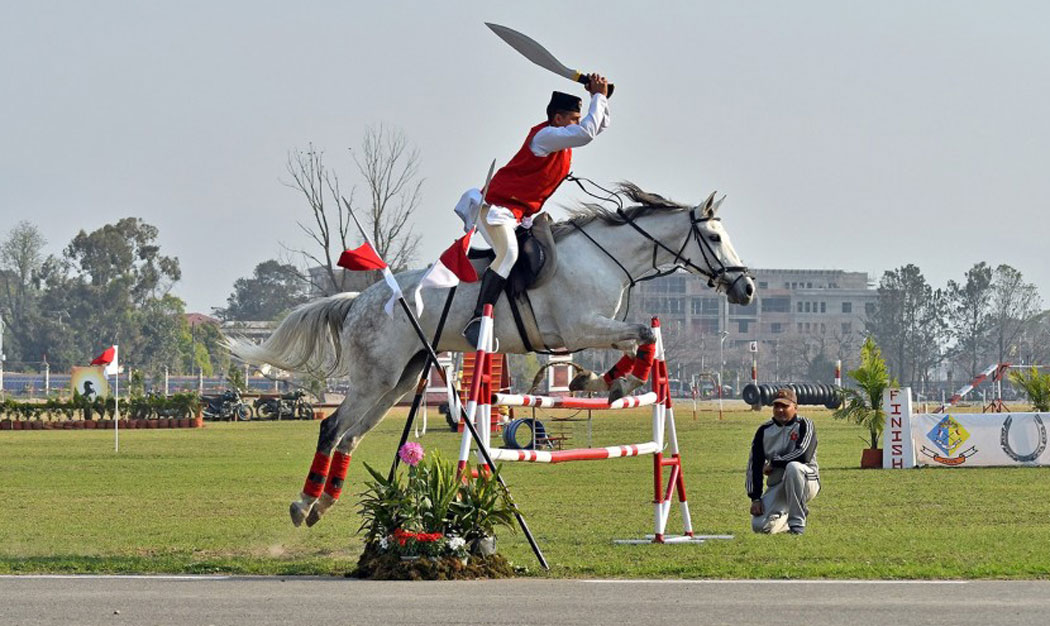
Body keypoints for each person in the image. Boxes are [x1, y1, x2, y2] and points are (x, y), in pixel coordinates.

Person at [460, 73, 611, 347]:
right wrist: (597, 97)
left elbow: (597, 126)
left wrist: (599, 97)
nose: (577, 125)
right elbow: (587, 132)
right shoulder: (545, 136)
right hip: (495, 208)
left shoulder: (559, 138)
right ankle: (478, 321)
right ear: (558, 119)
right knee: (508, 254)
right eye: (573, 120)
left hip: (520, 216)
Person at [746, 388, 820, 535]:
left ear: (795, 407)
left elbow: (803, 455)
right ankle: (788, 518)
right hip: (779, 483)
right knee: (760, 527)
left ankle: (797, 525)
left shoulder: (805, 425)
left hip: (806, 481)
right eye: (776, 406)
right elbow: (754, 465)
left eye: (785, 406)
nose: (780, 410)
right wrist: (755, 498)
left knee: (794, 467)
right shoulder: (764, 430)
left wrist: (774, 462)